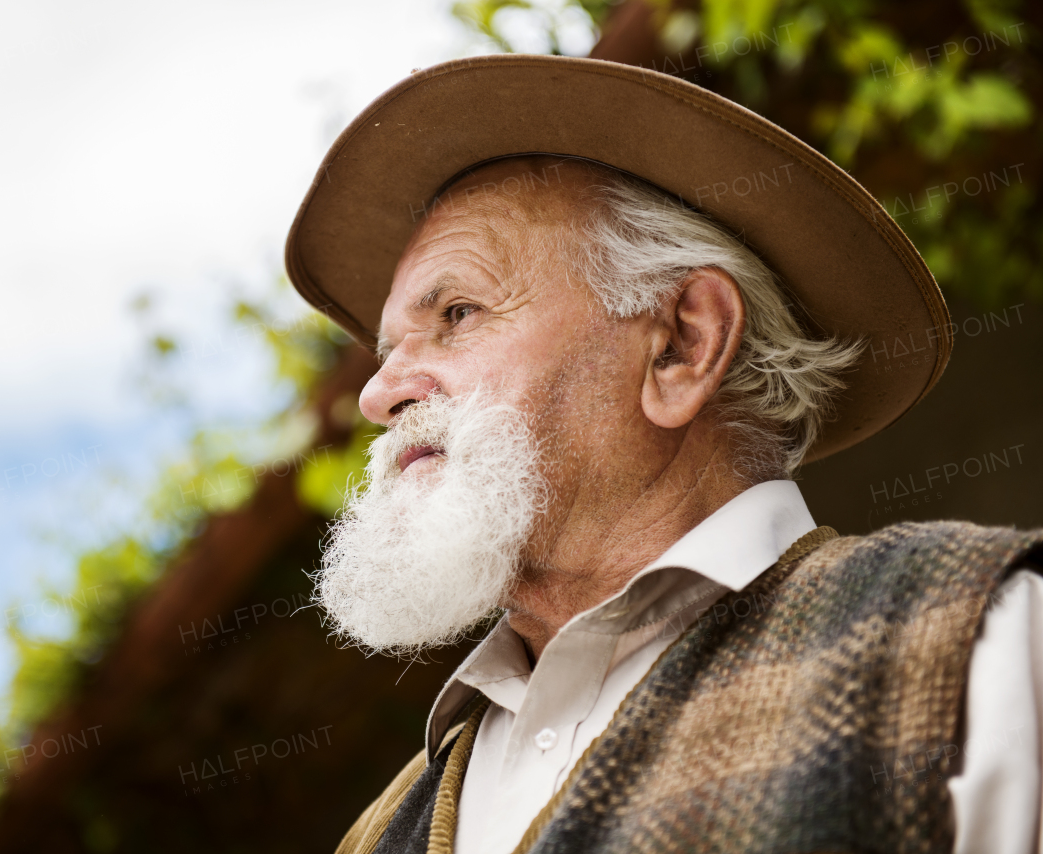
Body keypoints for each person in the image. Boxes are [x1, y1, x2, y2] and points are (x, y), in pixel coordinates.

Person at [284, 55, 1043, 854]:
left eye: (459, 312)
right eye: (385, 350)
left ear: (683, 345)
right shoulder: (375, 834)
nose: (379, 395)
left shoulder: (987, 647)